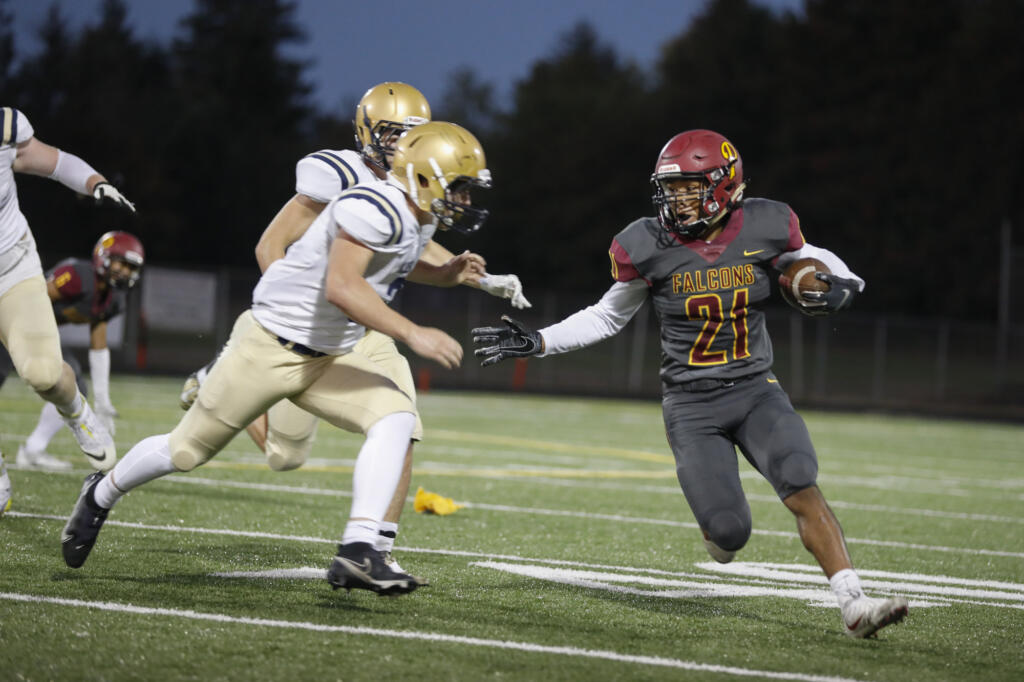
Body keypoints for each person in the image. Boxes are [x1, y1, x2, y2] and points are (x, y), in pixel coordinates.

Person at [472, 129, 909, 638]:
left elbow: (813, 258)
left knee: (799, 477)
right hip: (691, 405)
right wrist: (539, 342)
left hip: (755, 388)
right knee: (729, 534)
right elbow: (607, 317)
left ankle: (854, 604)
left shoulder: (766, 224)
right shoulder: (647, 244)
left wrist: (844, 282)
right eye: (671, 189)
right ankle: (715, 529)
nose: (677, 200)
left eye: (688, 188)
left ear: (725, 185)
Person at [62, 121, 493, 597]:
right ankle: (102, 492)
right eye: (459, 188)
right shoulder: (372, 207)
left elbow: (397, 267)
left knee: (396, 417)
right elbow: (343, 287)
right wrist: (414, 333)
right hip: (270, 347)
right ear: (424, 179)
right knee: (184, 452)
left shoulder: (418, 217)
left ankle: (358, 549)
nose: (465, 201)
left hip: (328, 357)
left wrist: (448, 274)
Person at [178, 82, 529, 574]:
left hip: (370, 325)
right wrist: (287, 319)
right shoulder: (337, 173)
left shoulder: (418, 180)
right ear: (366, 131)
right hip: (311, 326)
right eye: (390, 132)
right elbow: (270, 246)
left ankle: (374, 550)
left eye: (410, 133)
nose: (397, 143)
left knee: (402, 421)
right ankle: (214, 376)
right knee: (285, 457)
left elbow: (420, 252)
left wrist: (484, 281)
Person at [1, 106, 133, 484]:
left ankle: (77, 412)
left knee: (43, 373)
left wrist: (94, 182)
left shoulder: (5, 127)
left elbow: (55, 162)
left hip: (10, 271)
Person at [0, 231, 144, 471]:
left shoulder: (112, 298)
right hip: (12, 323)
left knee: (74, 385)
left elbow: (98, 345)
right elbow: (32, 300)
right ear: (104, 256)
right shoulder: (78, 276)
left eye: (131, 267)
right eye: (122, 263)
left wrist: (103, 400)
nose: (125, 272)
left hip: (35, 335)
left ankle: (33, 450)